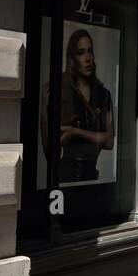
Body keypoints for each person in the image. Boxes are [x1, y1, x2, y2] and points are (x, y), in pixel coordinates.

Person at [41, 28, 114, 182]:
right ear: (72, 59)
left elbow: (109, 142)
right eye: (81, 53)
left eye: (90, 51)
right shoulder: (64, 93)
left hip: (91, 174)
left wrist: (75, 132)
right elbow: (51, 152)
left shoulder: (103, 94)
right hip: (65, 174)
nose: (87, 58)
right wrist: (44, 114)